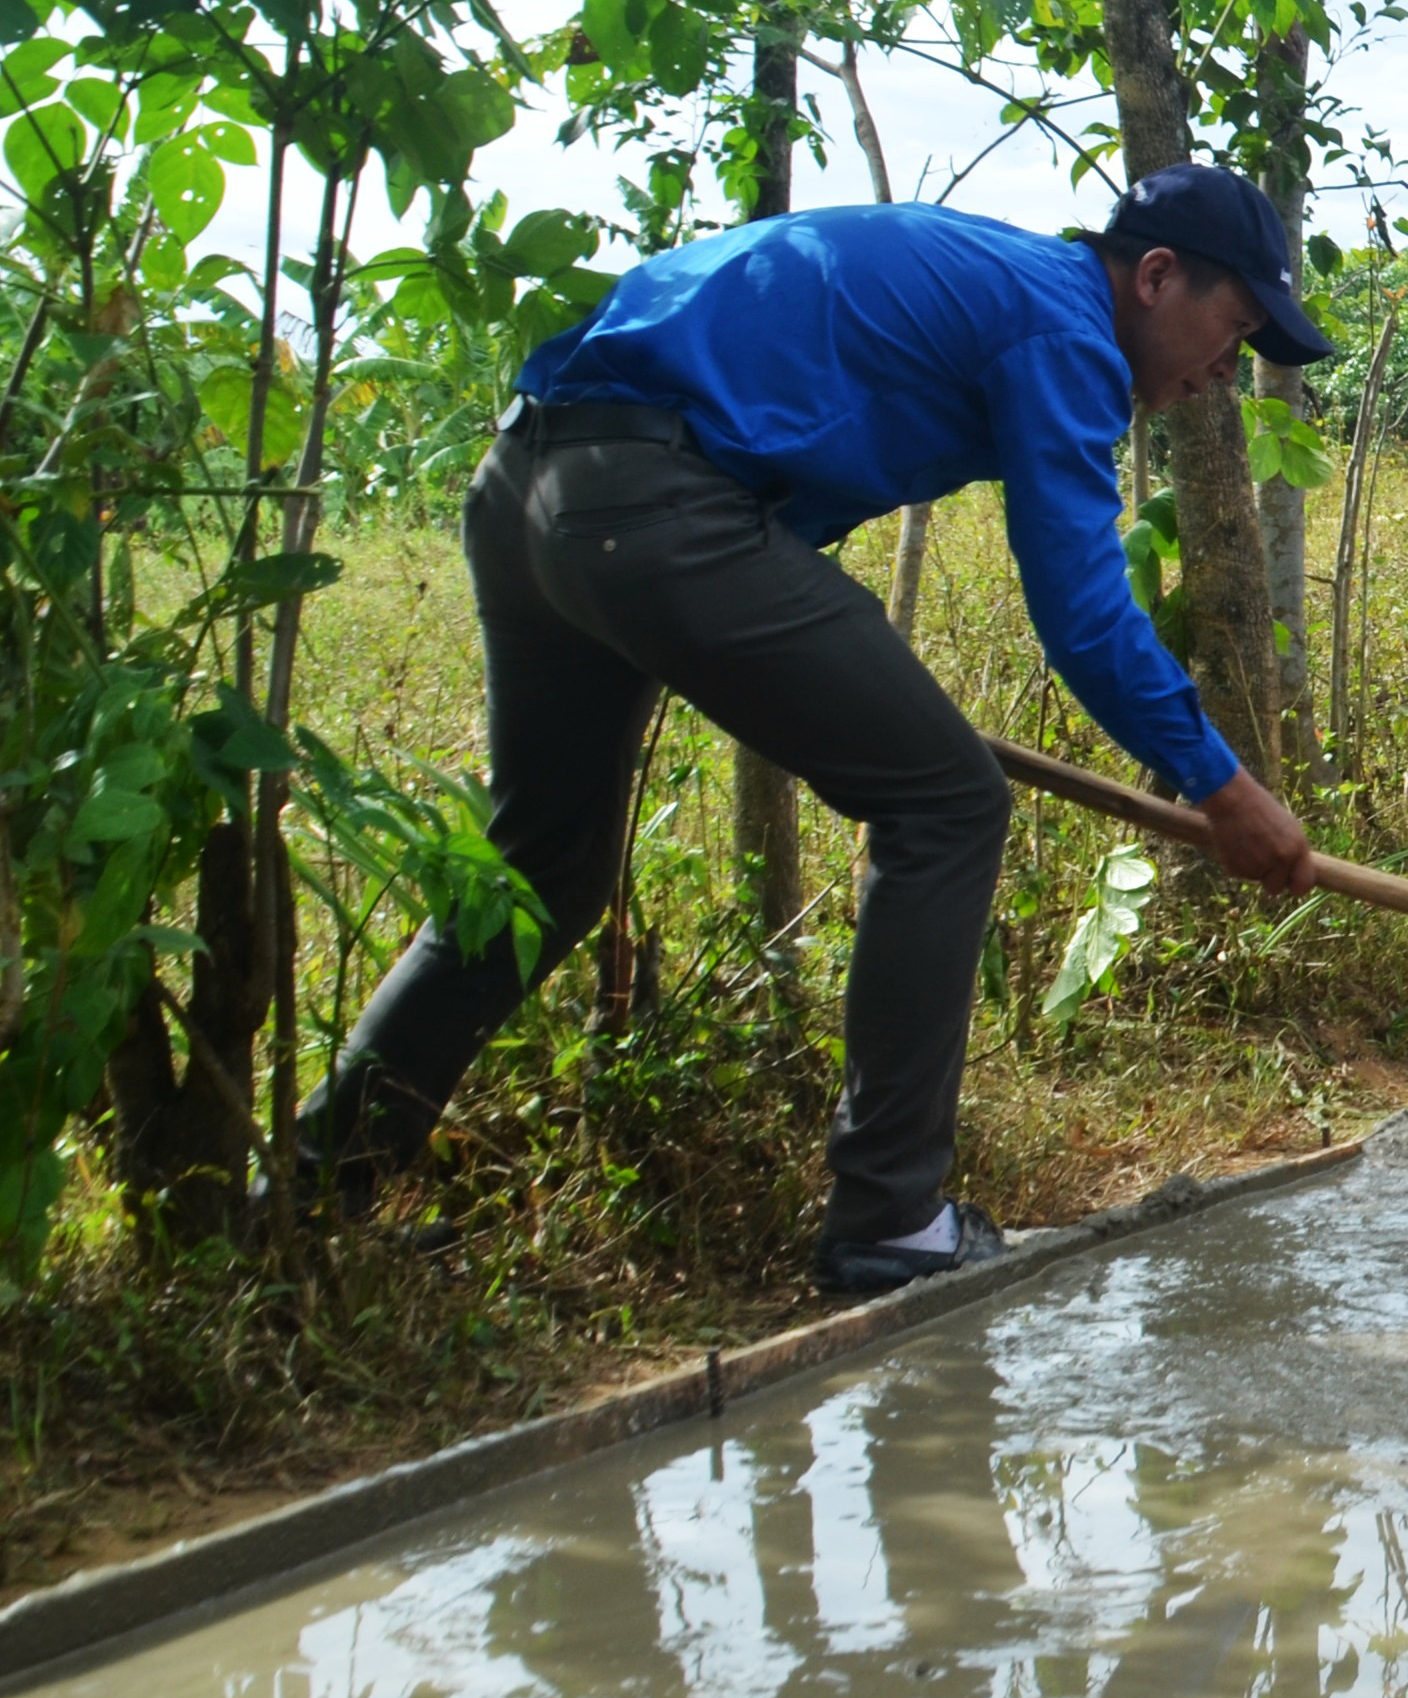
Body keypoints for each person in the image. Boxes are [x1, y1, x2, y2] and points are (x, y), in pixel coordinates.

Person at [295, 166, 1327, 1293]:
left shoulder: (999, 278)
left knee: (544, 865)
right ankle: (889, 1219)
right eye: (1231, 333)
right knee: (945, 804)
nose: (1222, 375)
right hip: (653, 500)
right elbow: (1081, 612)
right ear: (1156, 275)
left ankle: (305, 1197)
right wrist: (1220, 787)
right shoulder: (1064, 327)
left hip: (531, 481)